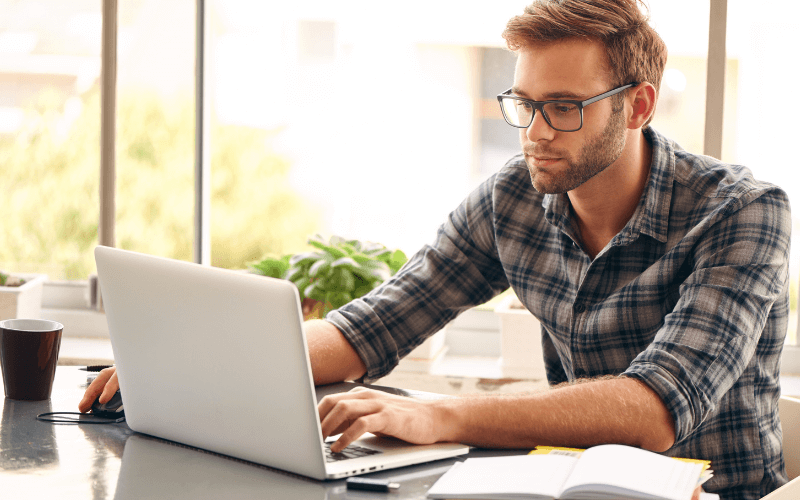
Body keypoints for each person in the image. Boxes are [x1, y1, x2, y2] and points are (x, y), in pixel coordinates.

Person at [80, 1, 791, 498]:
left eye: (565, 107)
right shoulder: (513, 197)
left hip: (712, 493)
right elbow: (375, 325)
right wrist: (188, 366)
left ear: (636, 106)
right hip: (566, 487)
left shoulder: (743, 214)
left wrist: (439, 413)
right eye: (523, 103)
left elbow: (653, 410)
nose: (535, 131)